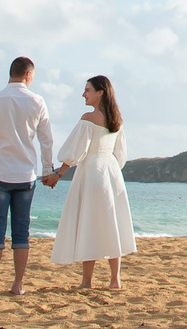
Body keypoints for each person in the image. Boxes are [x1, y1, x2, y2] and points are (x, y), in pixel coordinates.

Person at [0, 55, 56, 297]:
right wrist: (48, 170)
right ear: (29, 75)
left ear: (11, 73)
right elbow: (46, 140)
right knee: (22, 230)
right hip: (25, 174)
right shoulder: (37, 101)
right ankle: (18, 285)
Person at [45, 74, 135, 290]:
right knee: (111, 223)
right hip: (111, 171)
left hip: (93, 171)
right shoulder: (117, 120)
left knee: (90, 224)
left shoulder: (89, 118)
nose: (83, 94)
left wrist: (59, 173)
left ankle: (87, 281)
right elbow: (120, 155)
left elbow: (77, 150)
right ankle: (115, 280)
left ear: (100, 92)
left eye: (87, 90)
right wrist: (112, 169)